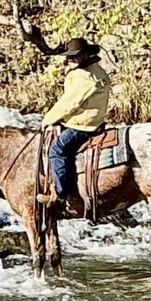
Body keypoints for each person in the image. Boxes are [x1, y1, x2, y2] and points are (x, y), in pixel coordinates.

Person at [38, 37, 112, 208]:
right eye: (69, 56)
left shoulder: (82, 77)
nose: (70, 59)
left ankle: (60, 194)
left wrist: (48, 119)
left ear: (86, 55)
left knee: (57, 150)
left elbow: (68, 103)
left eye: (75, 56)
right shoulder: (96, 70)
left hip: (83, 124)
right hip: (95, 120)